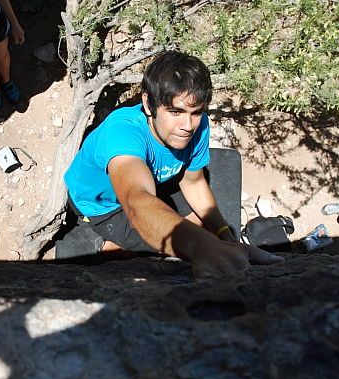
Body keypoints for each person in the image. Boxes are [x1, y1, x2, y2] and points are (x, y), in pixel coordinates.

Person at [64, 51, 283, 276]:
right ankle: (101, 246)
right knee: (168, 247)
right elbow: (136, 202)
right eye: (175, 111)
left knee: (201, 225)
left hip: (153, 181)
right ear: (148, 104)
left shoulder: (198, 126)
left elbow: (194, 181)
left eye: (195, 112)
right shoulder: (122, 134)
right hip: (104, 204)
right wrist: (203, 247)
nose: (187, 125)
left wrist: (225, 236)